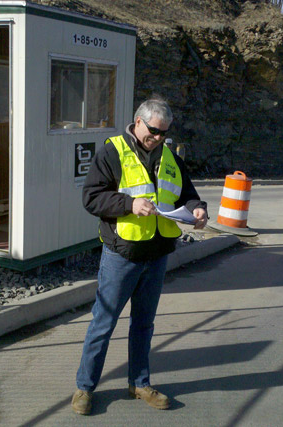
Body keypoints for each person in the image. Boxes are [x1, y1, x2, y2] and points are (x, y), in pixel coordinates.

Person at [72, 97, 208, 415]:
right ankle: (84, 388)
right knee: (103, 325)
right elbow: (91, 197)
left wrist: (198, 209)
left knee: (144, 324)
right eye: (154, 131)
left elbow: (187, 194)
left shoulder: (171, 157)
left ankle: (139, 383)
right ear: (137, 122)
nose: (159, 138)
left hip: (157, 254)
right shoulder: (112, 151)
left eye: (164, 133)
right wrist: (128, 204)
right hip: (122, 254)